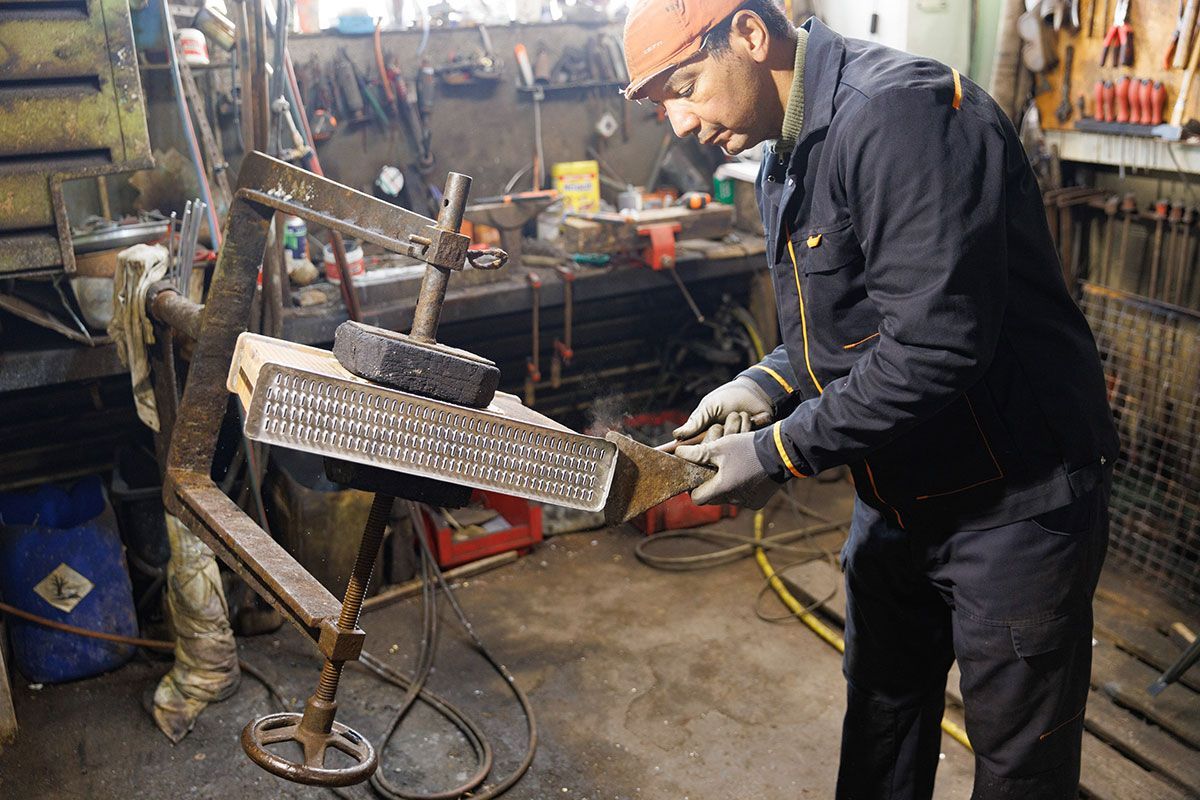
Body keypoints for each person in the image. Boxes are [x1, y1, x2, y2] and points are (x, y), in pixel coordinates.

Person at [621, 1, 1120, 798]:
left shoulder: (900, 116)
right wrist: (761, 384)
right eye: (661, 106)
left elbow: (934, 344)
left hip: (1013, 505)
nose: (680, 124)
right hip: (897, 492)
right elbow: (845, 325)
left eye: (684, 89)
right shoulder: (783, 148)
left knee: (1019, 768)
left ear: (750, 35)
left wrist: (778, 451)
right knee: (882, 723)